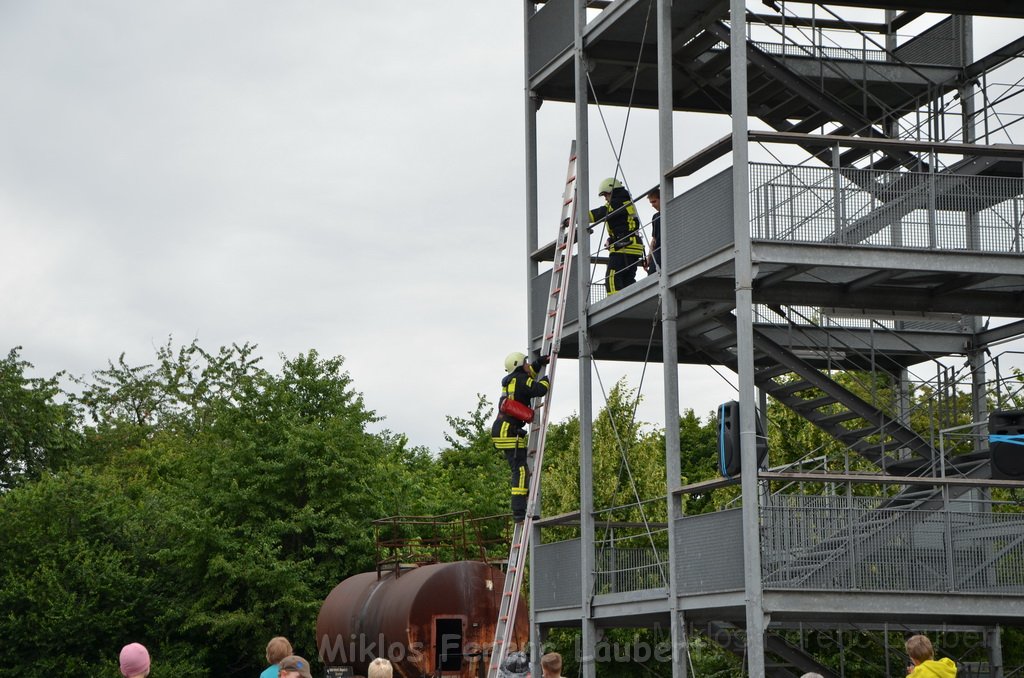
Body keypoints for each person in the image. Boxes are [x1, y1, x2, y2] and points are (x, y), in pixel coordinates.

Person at [491, 351, 550, 522]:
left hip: (502, 429)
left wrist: (539, 362)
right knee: (521, 471)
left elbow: (529, 372)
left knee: (520, 469)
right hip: (508, 431)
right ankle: (519, 512)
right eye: (525, 362)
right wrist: (547, 378)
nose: (527, 364)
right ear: (519, 365)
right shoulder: (522, 380)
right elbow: (539, 389)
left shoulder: (512, 380)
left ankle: (521, 509)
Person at [589, 177, 644, 294]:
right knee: (627, 280)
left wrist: (577, 218)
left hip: (624, 246)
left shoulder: (617, 203)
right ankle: (631, 301)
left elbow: (599, 214)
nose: (606, 199)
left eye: (606, 195)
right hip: (633, 246)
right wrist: (611, 239)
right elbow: (625, 225)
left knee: (612, 278)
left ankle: (615, 304)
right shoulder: (626, 202)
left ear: (612, 192)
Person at [645, 187, 661, 273]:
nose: (652, 205)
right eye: (651, 203)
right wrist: (649, 258)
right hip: (658, 251)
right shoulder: (655, 217)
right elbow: (654, 240)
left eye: (654, 201)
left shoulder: (672, 211)